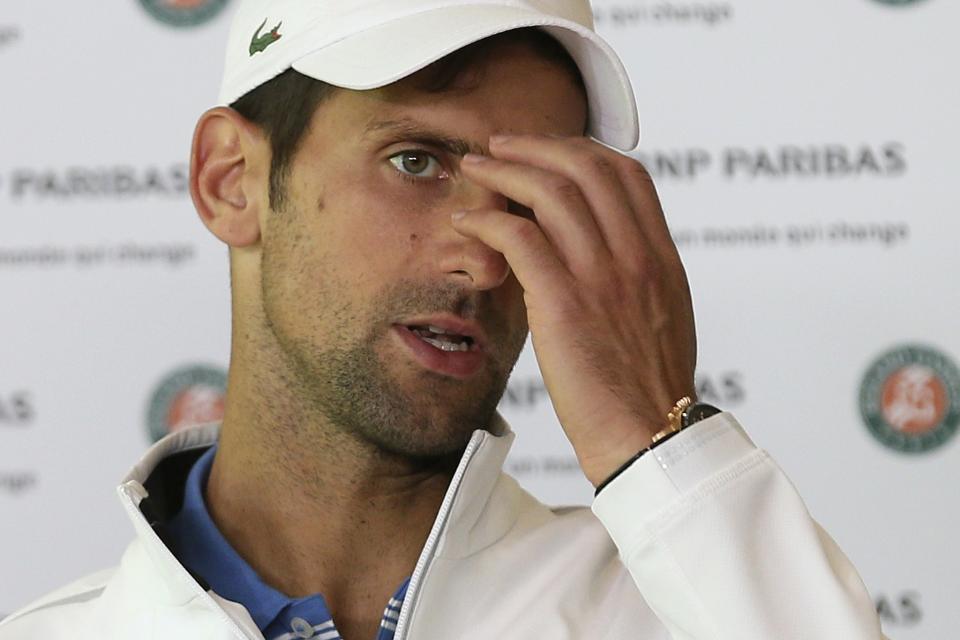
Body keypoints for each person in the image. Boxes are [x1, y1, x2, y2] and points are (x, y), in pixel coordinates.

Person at [0, 1, 888, 638]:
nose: (487, 258)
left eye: (531, 193)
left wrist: (660, 446)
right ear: (231, 180)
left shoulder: (678, 610)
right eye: (416, 160)